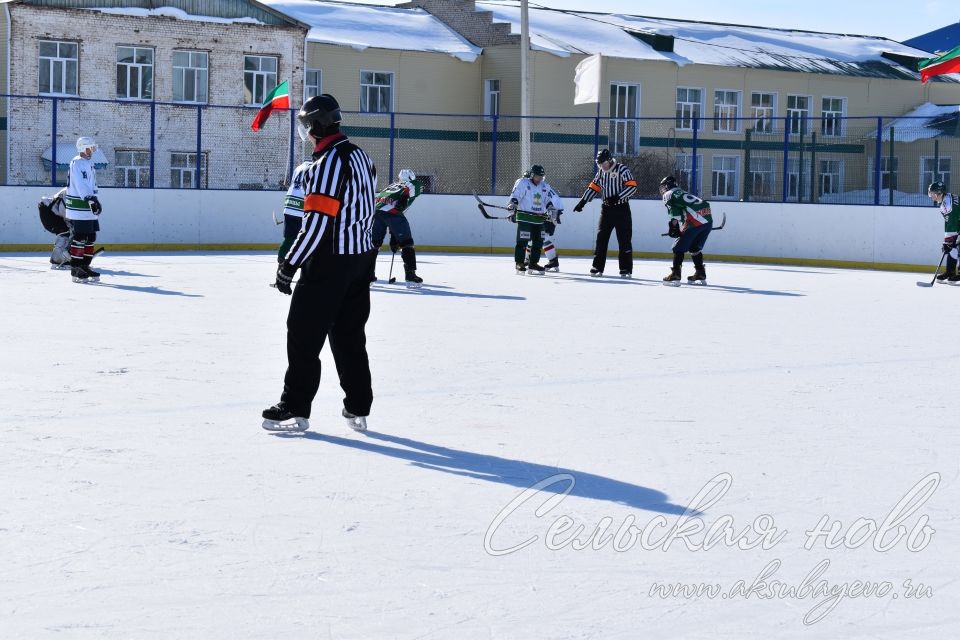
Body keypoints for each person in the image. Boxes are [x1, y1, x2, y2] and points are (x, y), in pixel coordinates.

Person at [262, 94, 378, 433]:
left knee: (302, 334)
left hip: (329, 263)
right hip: (360, 259)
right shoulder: (361, 156)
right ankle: (358, 406)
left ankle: (295, 407)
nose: (304, 132)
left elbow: (317, 224)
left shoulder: (326, 164)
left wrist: (289, 263)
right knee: (349, 336)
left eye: (304, 125)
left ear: (315, 125)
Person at [573, 148, 638, 277]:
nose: (601, 166)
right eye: (599, 164)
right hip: (606, 210)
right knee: (601, 239)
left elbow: (632, 187)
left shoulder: (622, 169)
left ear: (609, 160)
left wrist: (617, 197)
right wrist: (583, 202)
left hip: (621, 209)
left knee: (624, 239)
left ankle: (625, 269)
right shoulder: (601, 173)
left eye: (603, 163)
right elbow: (594, 187)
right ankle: (597, 267)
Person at [372, 168, 424, 286]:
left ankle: (368, 274)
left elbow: (383, 203)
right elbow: (410, 191)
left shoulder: (391, 186)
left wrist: (394, 236)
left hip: (376, 211)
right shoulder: (412, 183)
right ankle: (410, 276)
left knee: (374, 244)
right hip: (392, 212)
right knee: (407, 243)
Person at [659, 175, 713, 284]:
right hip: (708, 219)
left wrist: (674, 226)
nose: (663, 189)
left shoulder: (668, 194)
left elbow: (675, 214)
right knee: (694, 247)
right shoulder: (681, 192)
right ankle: (700, 273)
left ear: (668, 185)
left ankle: (675, 275)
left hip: (695, 221)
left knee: (677, 248)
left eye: (664, 186)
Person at [508, 164, 561, 275]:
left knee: (538, 243)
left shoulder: (544, 186)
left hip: (539, 219)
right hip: (525, 218)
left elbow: (547, 200)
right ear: (532, 175)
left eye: (541, 177)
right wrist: (513, 204)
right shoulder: (523, 182)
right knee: (522, 242)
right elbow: (516, 195)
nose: (539, 179)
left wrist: (550, 208)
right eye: (537, 176)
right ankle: (519, 263)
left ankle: (533, 263)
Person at [64, 137, 102, 283]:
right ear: (82, 148)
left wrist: (95, 199)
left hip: (88, 205)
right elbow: (80, 183)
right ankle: (76, 268)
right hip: (79, 205)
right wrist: (89, 197)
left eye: (92, 148)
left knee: (91, 237)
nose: (91, 151)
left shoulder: (87, 163)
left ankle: (85, 266)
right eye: (89, 148)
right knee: (80, 237)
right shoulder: (76, 163)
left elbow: (91, 184)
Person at [276, 159, 313, 263]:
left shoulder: (298, 168)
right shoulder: (313, 168)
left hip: (289, 205)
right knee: (306, 238)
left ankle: (281, 258)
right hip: (301, 207)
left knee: (289, 237)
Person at [929, 181, 960, 282]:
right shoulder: (945, 201)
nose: (931, 196)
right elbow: (949, 222)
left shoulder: (948, 205)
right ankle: (950, 272)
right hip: (957, 223)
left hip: (956, 223)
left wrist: (948, 241)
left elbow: (951, 223)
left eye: (932, 193)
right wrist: (947, 241)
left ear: (939, 193)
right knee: (953, 246)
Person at [37, 188, 71, 268]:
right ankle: (56, 259)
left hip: (49, 211)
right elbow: (64, 210)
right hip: (48, 212)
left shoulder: (71, 189)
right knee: (65, 231)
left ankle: (61, 256)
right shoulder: (69, 192)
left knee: (67, 230)